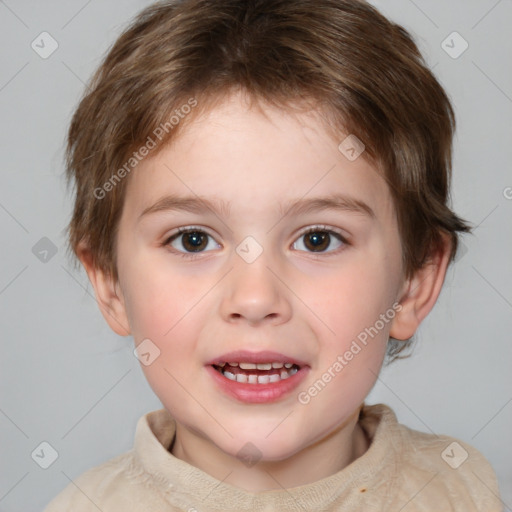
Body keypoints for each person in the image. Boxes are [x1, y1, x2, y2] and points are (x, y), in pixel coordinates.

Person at [44, 0, 502, 510]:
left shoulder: (468, 491)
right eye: (193, 240)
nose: (256, 298)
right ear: (109, 282)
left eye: (318, 239)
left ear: (415, 280)